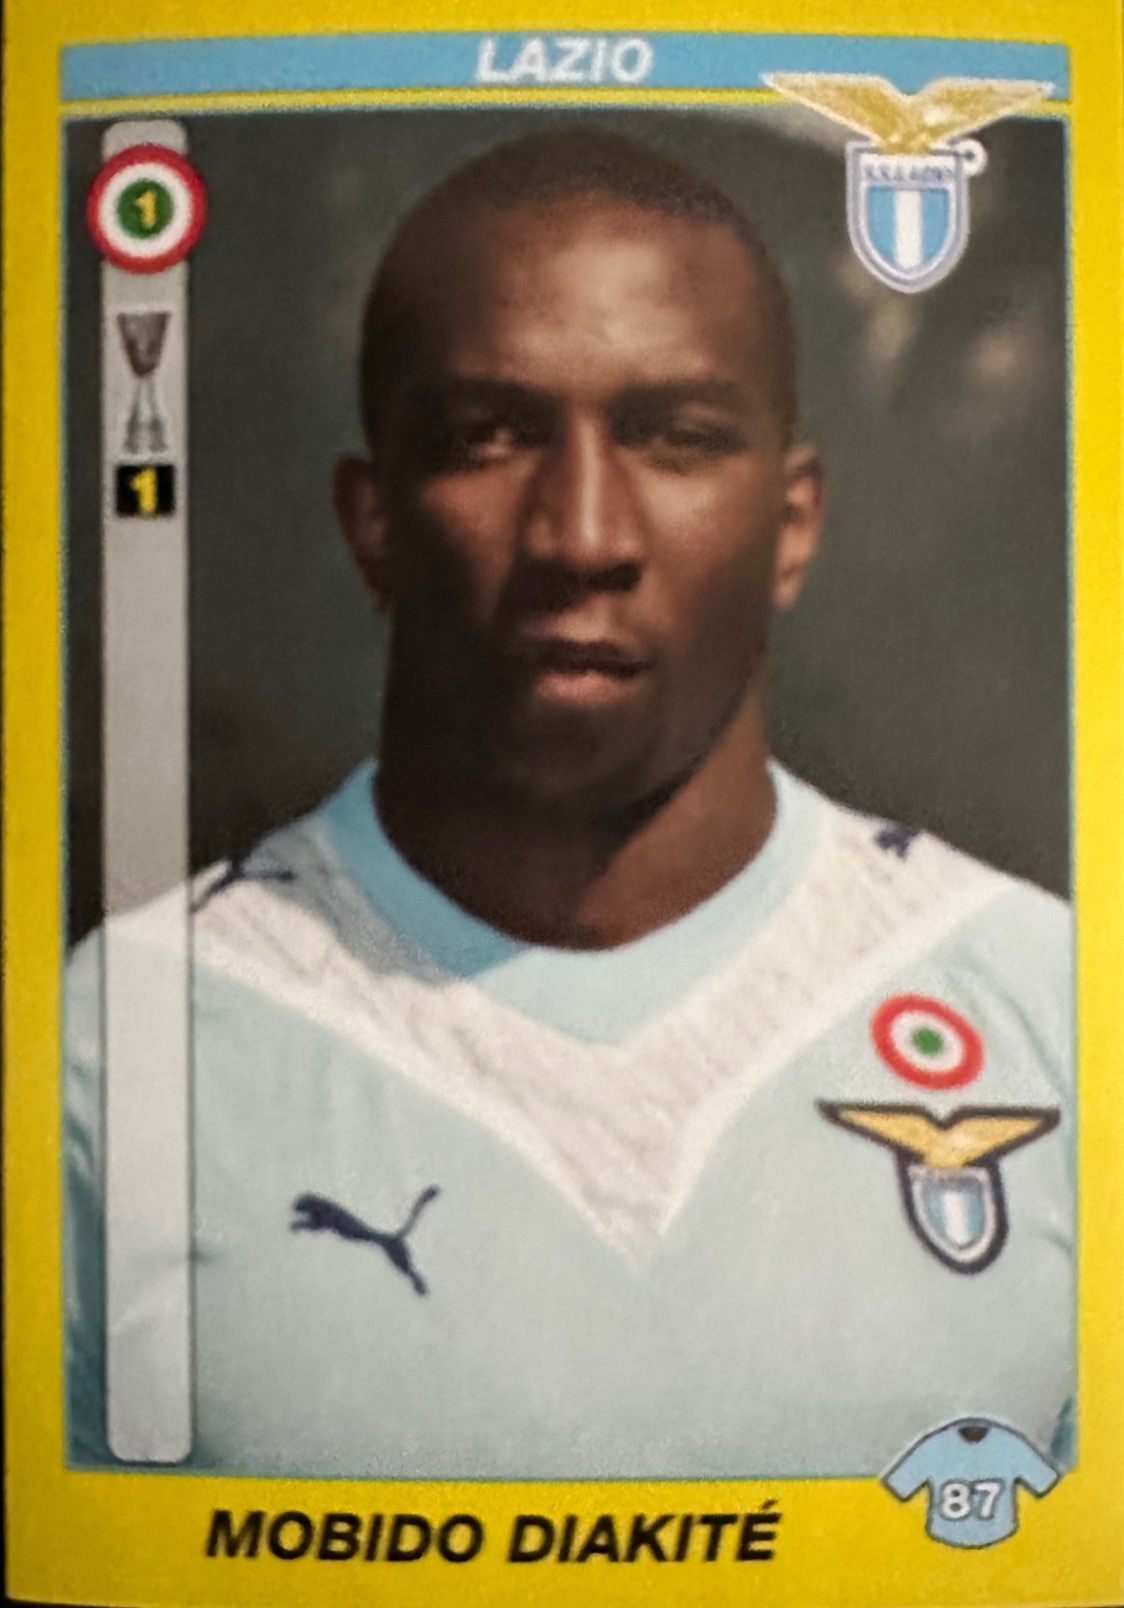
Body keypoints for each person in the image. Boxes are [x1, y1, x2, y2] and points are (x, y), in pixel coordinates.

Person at [65, 128, 1073, 1479]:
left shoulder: (1056, 1008)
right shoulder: (121, 1048)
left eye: (677, 438)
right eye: (487, 436)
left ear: (792, 524)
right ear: (372, 523)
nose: (582, 535)